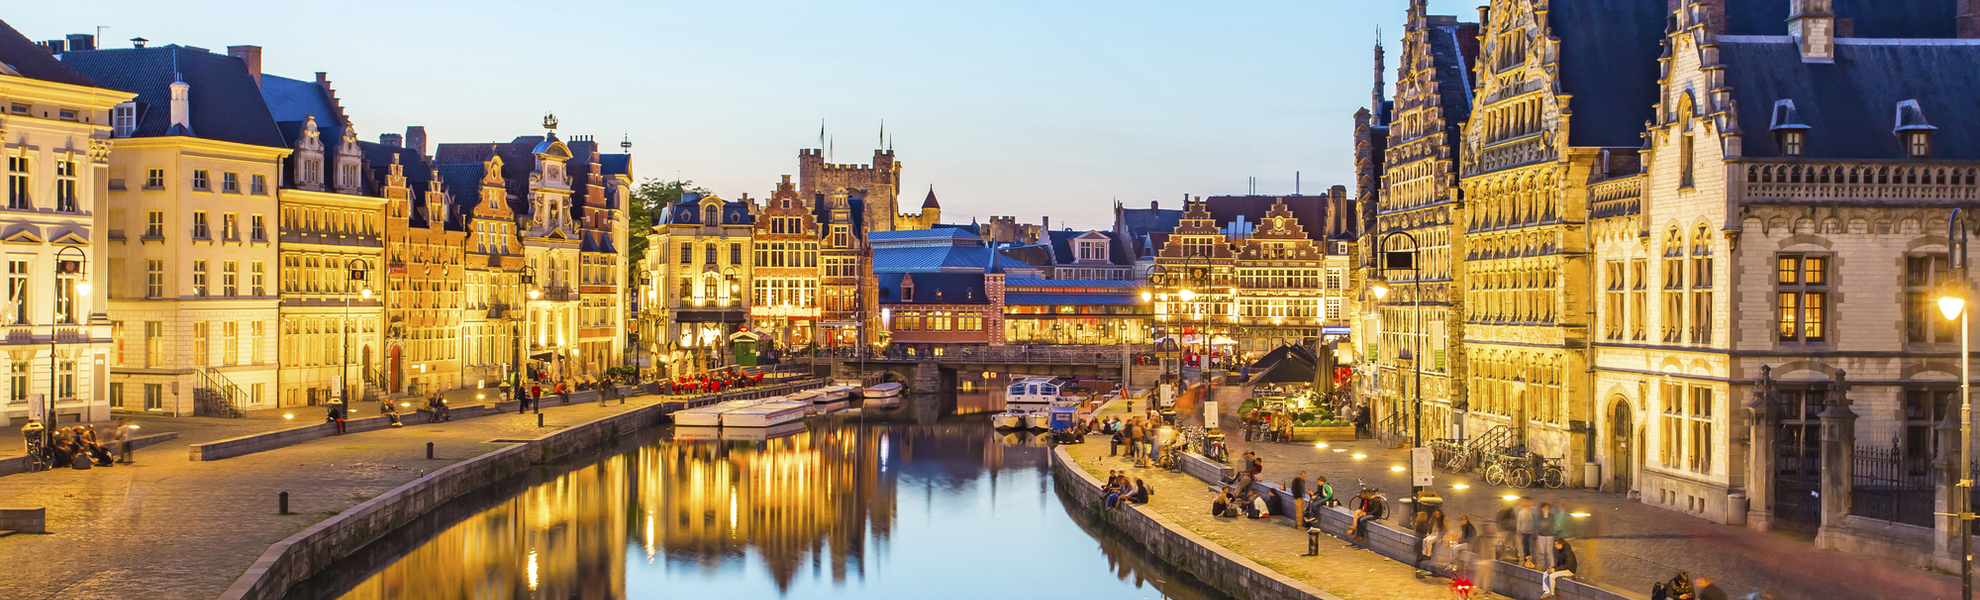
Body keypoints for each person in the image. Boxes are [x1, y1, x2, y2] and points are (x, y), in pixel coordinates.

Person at [1515, 497, 1541, 566]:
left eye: (1527, 502)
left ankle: (1533, 563)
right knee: (1525, 548)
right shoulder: (1521, 511)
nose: (1525, 503)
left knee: (1532, 549)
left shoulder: (1533, 510)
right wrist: (1519, 530)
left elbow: (1536, 521)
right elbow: (1519, 521)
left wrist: (1536, 530)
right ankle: (1526, 562)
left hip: (1531, 532)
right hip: (1524, 532)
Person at [1537, 502, 1558, 570]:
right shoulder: (1539, 516)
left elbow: (1553, 525)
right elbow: (1537, 525)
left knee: (1549, 552)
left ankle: (1552, 566)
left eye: (1547, 508)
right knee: (1542, 552)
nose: (1546, 509)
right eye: (1545, 508)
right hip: (1541, 535)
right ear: (1542, 508)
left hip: (1549, 535)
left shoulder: (1552, 516)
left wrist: (1549, 529)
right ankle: (1544, 566)